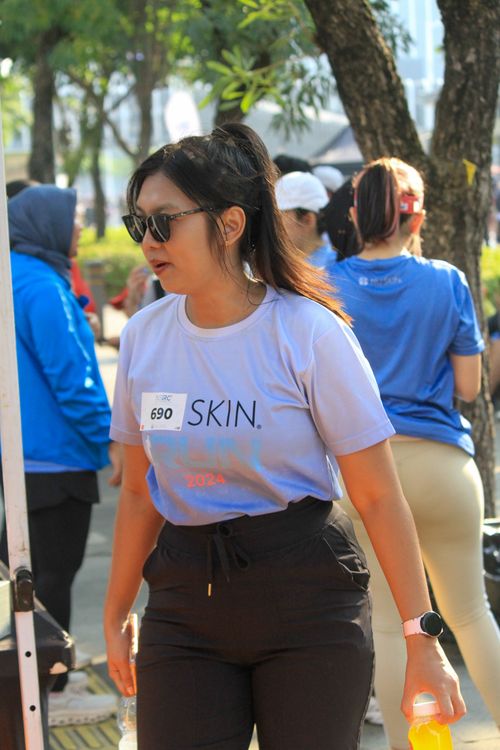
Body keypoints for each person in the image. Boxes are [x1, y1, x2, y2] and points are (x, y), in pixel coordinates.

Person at [104, 124, 465, 750]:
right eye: (139, 224)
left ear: (229, 224)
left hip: (307, 597)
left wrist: (421, 638)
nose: (149, 242)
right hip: (184, 597)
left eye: (164, 222)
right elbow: (139, 493)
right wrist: (114, 615)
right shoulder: (143, 336)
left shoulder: (309, 333)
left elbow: (379, 497)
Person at [331, 157, 500, 749]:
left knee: (393, 624)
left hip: (361, 473)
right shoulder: (447, 280)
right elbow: (470, 387)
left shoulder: (324, 281)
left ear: (356, 215)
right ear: (417, 217)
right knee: (472, 614)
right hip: (441, 465)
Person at [0, 184, 120, 727]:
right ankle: (53, 691)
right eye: (73, 219)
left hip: (21, 457)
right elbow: (74, 381)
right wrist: (111, 442)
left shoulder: (14, 276)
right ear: (45, 224)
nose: (79, 229)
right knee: (51, 580)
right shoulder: (43, 287)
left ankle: (32, 686)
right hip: (58, 458)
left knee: (26, 579)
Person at [275, 170, 337, 269]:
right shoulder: (278, 267)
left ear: (307, 220)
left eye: (279, 216)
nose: (273, 224)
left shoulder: (335, 272)